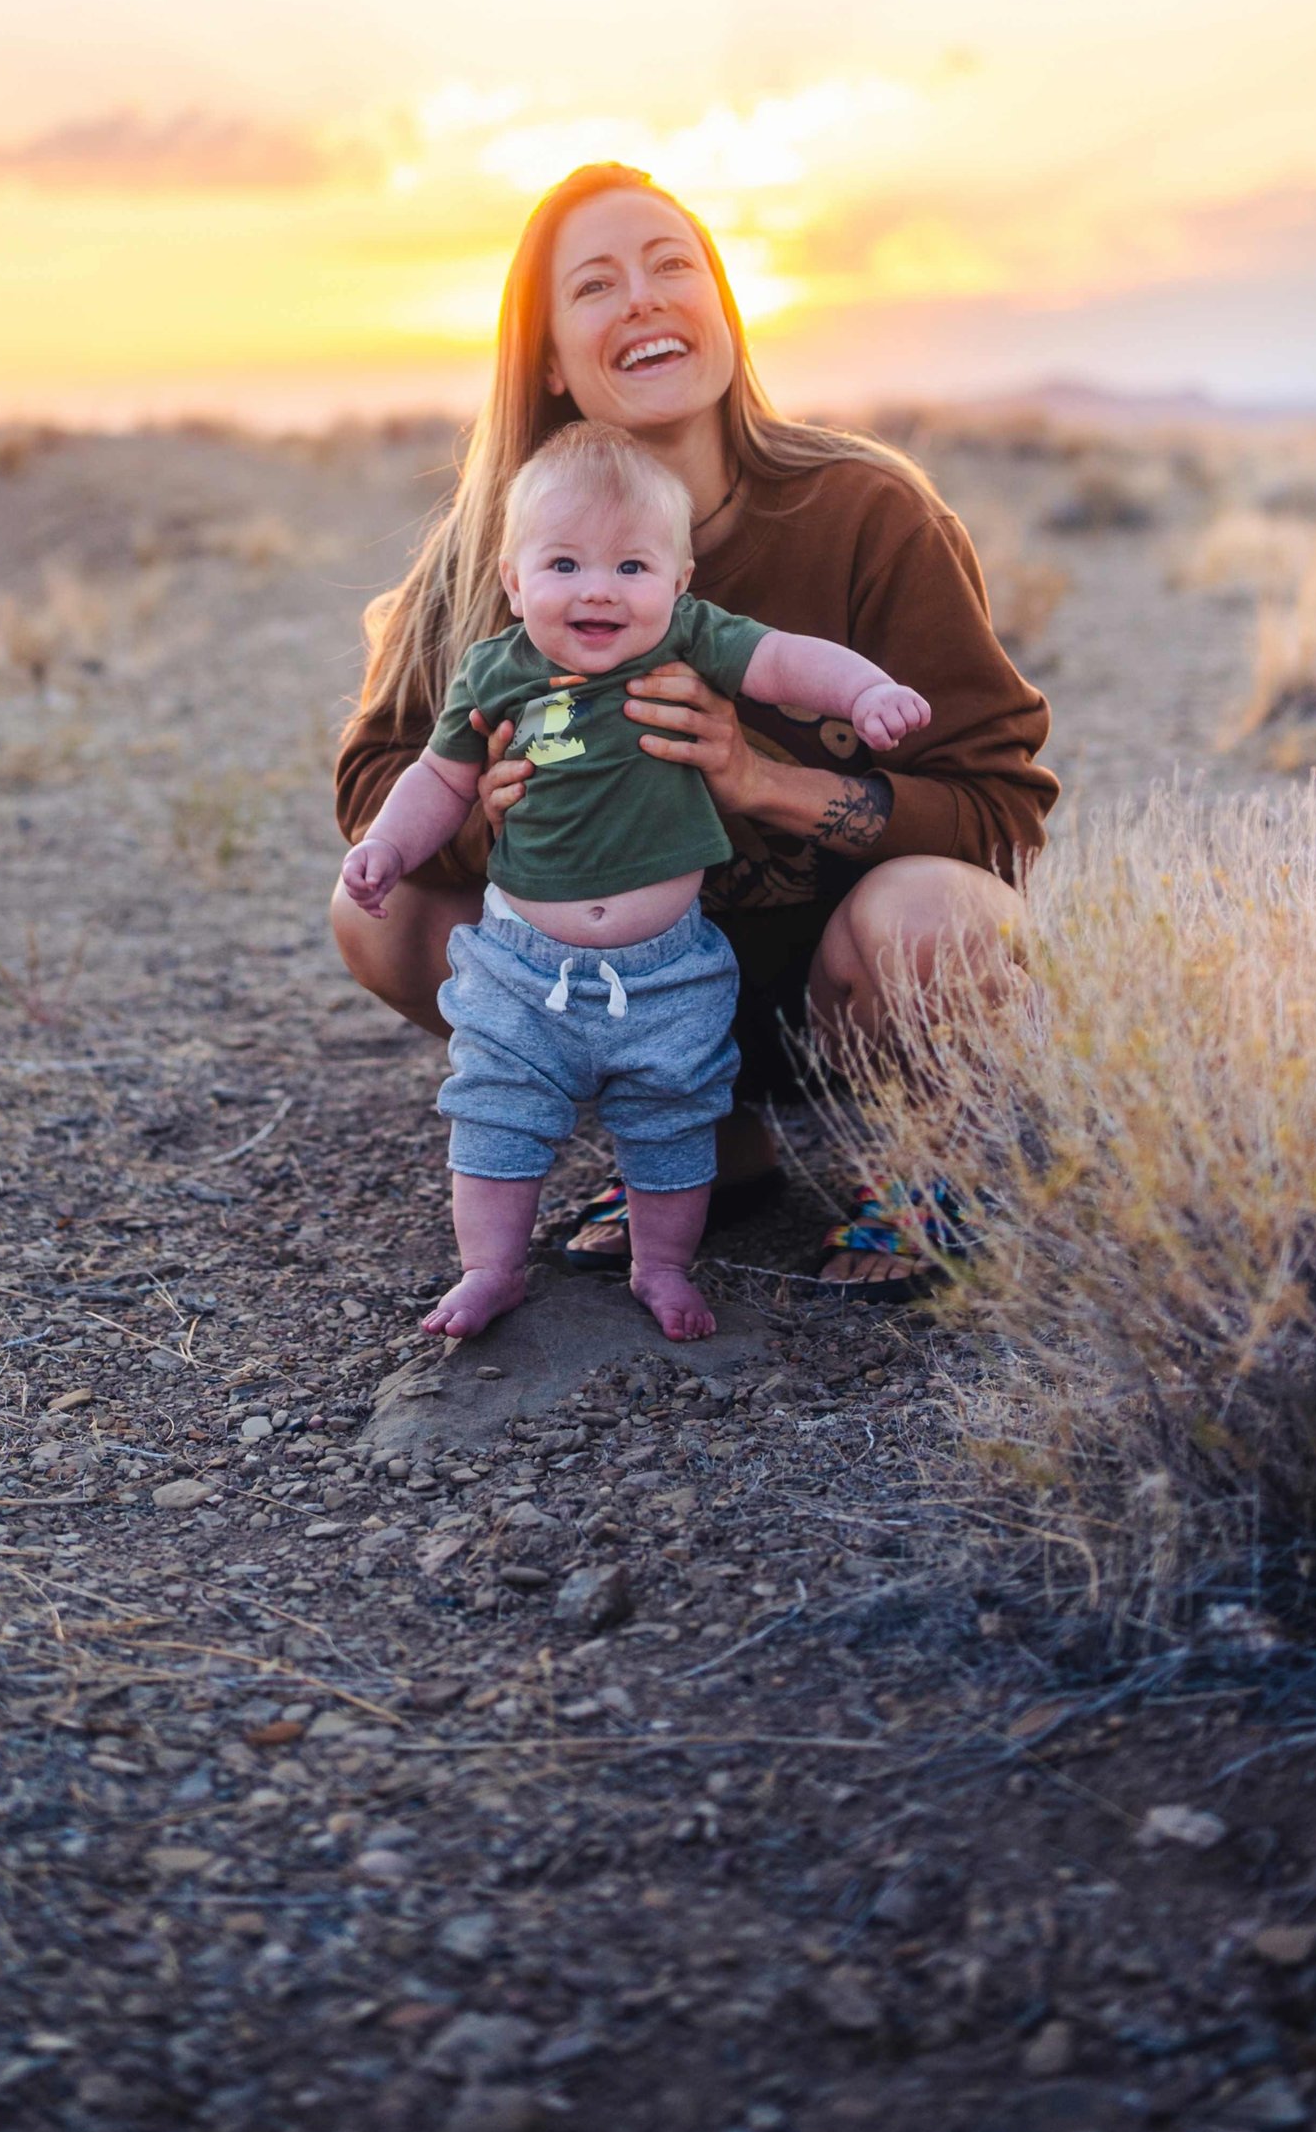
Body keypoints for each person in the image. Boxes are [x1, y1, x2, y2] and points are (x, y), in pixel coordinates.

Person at [332, 163, 1057, 1289]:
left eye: (674, 266)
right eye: (596, 286)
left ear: (722, 308)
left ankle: (926, 1159)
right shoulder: (502, 551)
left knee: (945, 913)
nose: (644, 300)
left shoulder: (868, 515)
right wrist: (486, 803)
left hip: (834, 986)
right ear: (549, 360)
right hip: (615, 983)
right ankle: (705, 1154)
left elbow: (1000, 815)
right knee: (375, 912)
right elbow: (377, 769)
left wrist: (763, 780)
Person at [341, 420, 932, 1343]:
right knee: (495, 1115)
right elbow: (437, 776)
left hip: (669, 968)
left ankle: (662, 1268)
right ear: (514, 581)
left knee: (671, 1125)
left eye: (631, 569)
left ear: (679, 584)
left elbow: (785, 661)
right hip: (520, 967)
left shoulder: (688, 643)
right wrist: (387, 846)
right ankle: (489, 1270)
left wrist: (861, 693)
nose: (598, 592)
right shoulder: (495, 672)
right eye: (565, 565)